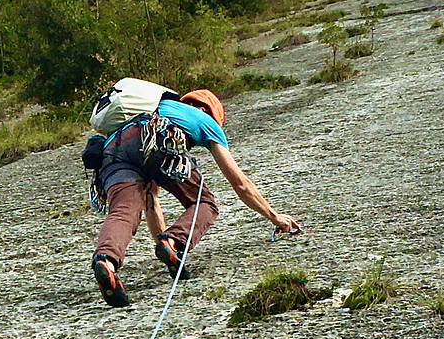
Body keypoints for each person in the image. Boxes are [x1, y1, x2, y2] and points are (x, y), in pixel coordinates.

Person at [89, 88, 298, 307]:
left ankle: (107, 262)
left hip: (112, 149)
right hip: (156, 138)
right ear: (209, 112)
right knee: (205, 203)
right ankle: (173, 242)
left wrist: (167, 254)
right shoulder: (205, 121)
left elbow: (152, 202)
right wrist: (274, 217)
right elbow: (240, 183)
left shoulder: (156, 107)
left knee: (123, 211)